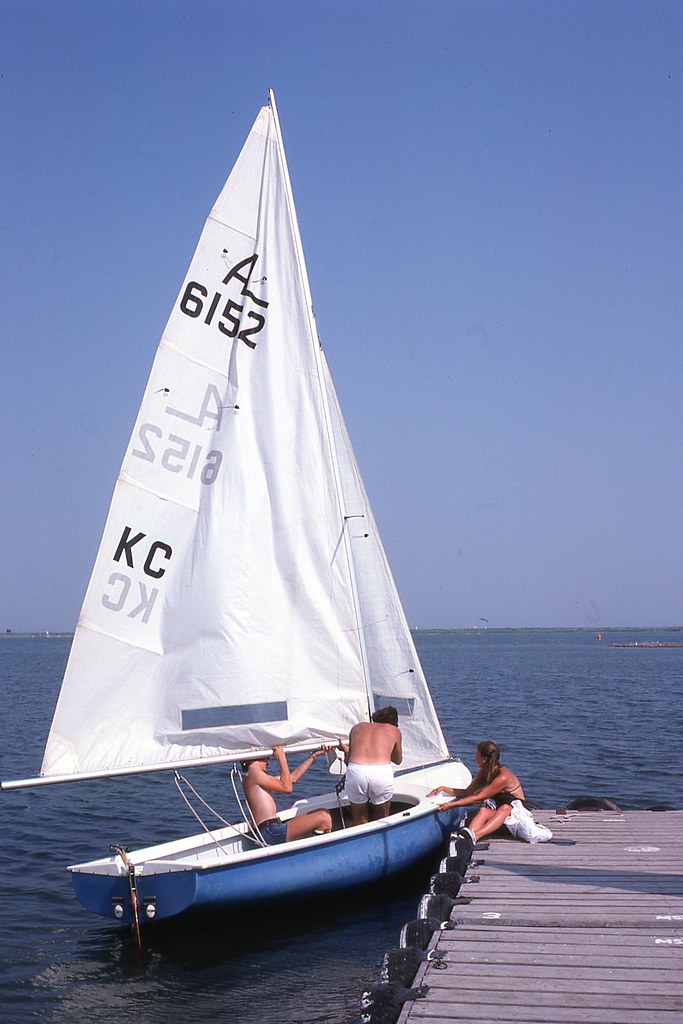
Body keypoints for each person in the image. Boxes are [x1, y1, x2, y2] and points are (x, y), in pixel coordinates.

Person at [427, 739, 526, 844]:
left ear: (484, 759)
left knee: (505, 808)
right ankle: (468, 838)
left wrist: (451, 805)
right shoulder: (485, 773)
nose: (475, 758)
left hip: (518, 816)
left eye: (477, 755)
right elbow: (467, 793)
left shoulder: (503, 777)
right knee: (483, 811)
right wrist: (443, 788)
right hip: (502, 817)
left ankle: (476, 835)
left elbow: (478, 798)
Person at [242, 744, 333, 845]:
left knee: (324, 814)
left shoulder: (254, 777)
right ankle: (318, 854)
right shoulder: (254, 774)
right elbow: (287, 788)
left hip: (270, 829)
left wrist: (313, 756)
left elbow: (292, 779)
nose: (268, 764)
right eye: (267, 758)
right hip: (269, 832)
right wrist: (281, 758)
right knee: (324, 817)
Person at [339, 706, 403, 826]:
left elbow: (348, 760)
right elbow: (398, 760)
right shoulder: (394, 730)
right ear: (394, 722)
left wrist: (345, 750)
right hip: (381, 773)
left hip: (356, 771)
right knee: (382, 818)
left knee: (359, 819)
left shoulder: (357, 728)